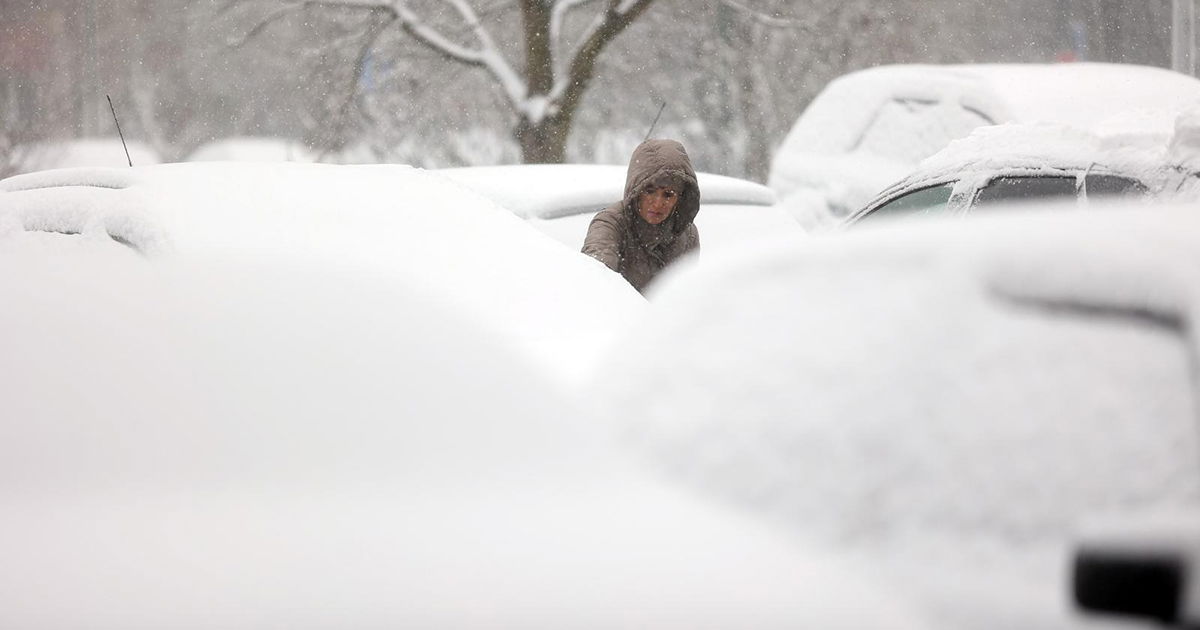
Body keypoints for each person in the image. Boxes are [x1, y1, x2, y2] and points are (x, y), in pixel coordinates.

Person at [581, 139, 700, 293]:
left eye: (668, 195)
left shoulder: (687, 235)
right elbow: (595, 281)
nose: (657, 204)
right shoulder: (610, 224)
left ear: (680, 198)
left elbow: (688, 295)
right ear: (636, 191)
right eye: (649, 191)